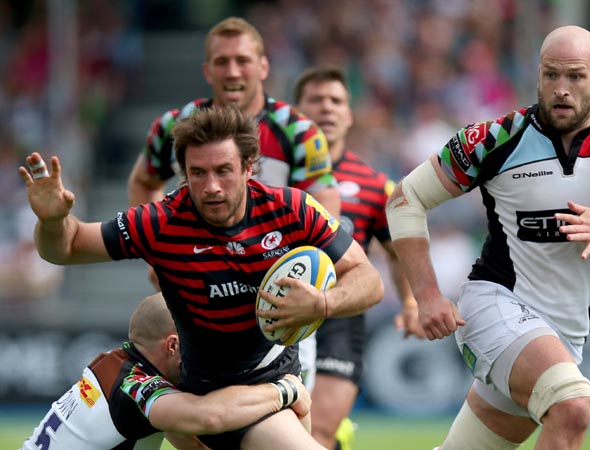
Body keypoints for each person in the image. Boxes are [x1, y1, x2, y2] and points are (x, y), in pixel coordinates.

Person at [19, 105, 383, 450]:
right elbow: (66, 247)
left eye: (223, 170)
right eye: (198, 173)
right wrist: (53, 221)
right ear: (184, 173)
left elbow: (368, 279)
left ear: (249, 167)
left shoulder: (292, 209)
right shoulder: (160, 222)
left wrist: (323, 303)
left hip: (276, 378)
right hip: (215, 398)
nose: (211, 187)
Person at [385, 25, 590, 450]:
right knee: (573, 405)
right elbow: (404, 199)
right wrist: (427, 294)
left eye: (575, 76)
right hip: (495, 305)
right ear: (537, 74)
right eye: (551, 74)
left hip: (564, 332)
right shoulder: (495, 139)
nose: (561, 89)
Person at [127, 16, 341, 391]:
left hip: (278, 297)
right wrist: (157, 257)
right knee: (189, 404)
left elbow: (325, 205)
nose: (233, 71)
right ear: (207, 71)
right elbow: (144, 182)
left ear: (263, 67)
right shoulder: (175, 125)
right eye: (222, 61)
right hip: (198, 294)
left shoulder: (297, 130)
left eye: (242, 60)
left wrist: (309, 278)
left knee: (289, 406)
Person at [293, 65, 425, 450]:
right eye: (316, 100)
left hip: (340, 318)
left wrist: (411, 302)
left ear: (349, 115)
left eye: (336, 101)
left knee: (317, 434)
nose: (326, 108)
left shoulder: (374, 184)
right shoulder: (273, 176)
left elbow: (397, 250)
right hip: (280, 315)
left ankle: (333, 438)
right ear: (295, 113)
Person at [21, 292, 312, 450]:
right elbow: (208, 416)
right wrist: (286, 390)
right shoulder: (135, 386)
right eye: (195, 338)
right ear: (173, 345)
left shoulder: (119, 365)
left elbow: (191, 443)